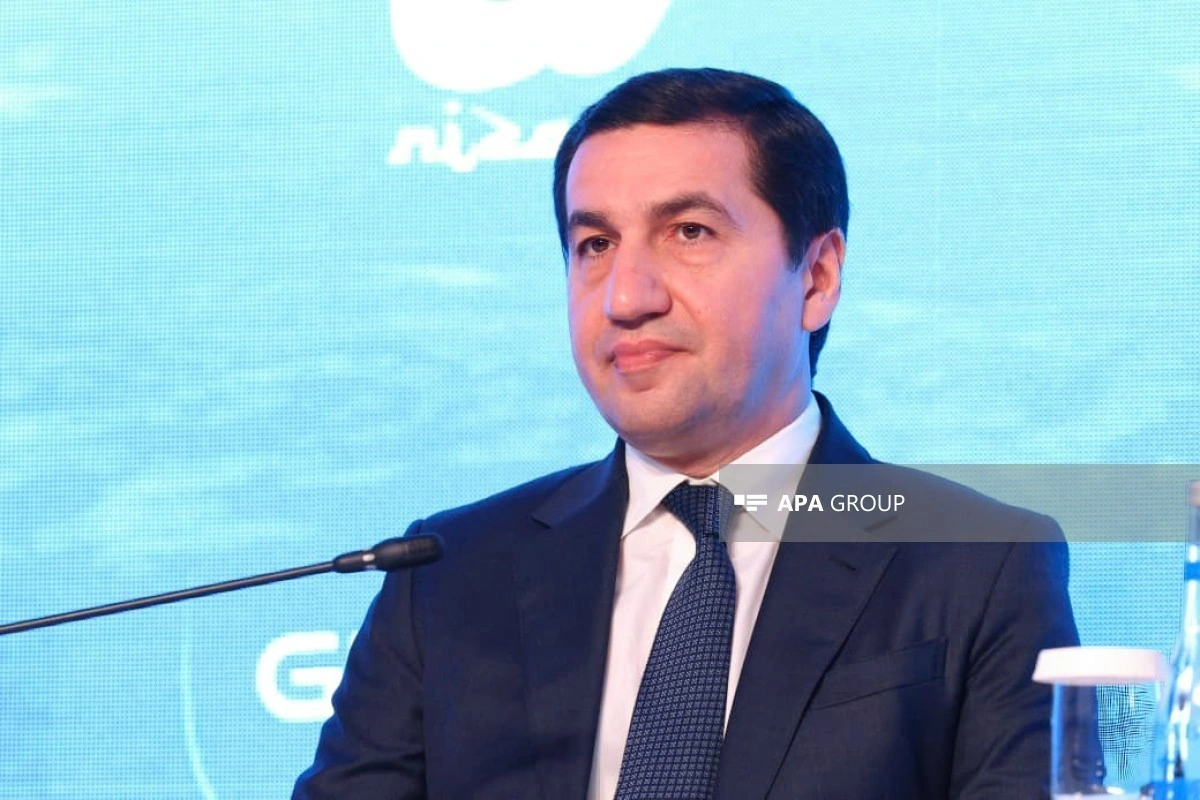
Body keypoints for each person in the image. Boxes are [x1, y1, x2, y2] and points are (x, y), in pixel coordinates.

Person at [293, 68, 1079, 799]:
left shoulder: (974, 564)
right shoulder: (449, 574)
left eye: (690, 232)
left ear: (817, 277)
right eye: (595, 245)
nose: (625, 297)